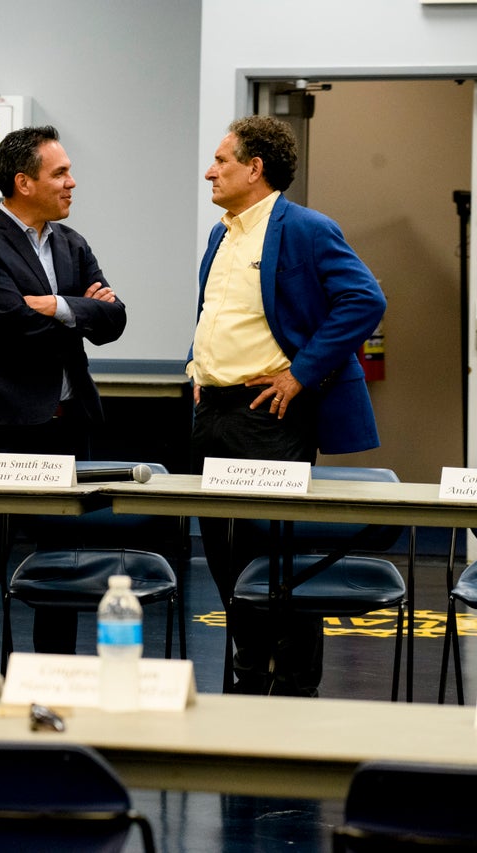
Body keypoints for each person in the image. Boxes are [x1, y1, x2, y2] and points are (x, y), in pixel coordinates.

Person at [188, 115, 387, 696]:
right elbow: (218, 314)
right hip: (213, 412)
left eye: (221, 161)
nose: (210, 171)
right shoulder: (221, 234)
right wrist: (197, 368)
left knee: (275, 558)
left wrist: (300, 374)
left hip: (266, 416)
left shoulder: (305, 228)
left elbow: (364, 299)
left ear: (255, 168)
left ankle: (296, 686)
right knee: (225, 558)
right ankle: (248, 678)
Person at [0, 125, 127, 668]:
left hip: (68, 423)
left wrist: (55, 306)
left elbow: (115, 320)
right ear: (24, 182)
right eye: (61, 173)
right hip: (5, 425)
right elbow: (10, 325)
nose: (73, 183)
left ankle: (55, 676)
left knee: (66, 563)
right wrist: (79, 307)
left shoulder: (72, 243)